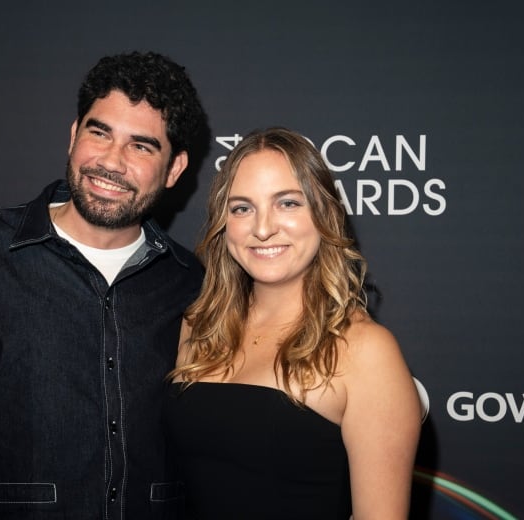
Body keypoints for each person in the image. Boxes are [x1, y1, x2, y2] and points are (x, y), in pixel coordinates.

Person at [0, 51, 208, 519]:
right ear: (73, 135)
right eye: (98, 132)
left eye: (141, 146)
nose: (110, 162)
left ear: (174, 169)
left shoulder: (194, 286)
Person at [164, 127, 421, 519]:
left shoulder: (365, 350)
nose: (263, 228)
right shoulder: (199, 326)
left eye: (287, 203)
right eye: (241, 208)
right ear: (223, 223)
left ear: (323, 213)